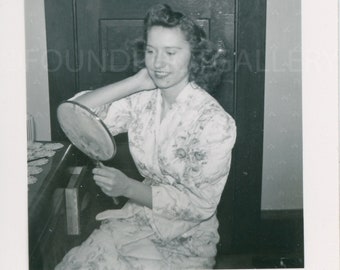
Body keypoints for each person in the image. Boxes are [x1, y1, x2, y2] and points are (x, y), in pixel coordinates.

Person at [55, 4, 236, 270]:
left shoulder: (215, 123)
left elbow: (200, 206)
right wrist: (136, 82)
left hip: (187, 237)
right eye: (151, 51)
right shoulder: (142, 100)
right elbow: (76, 114)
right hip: (138, 218)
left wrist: (128, 188)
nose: (158, 63)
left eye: (171, 52)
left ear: (194, 57)